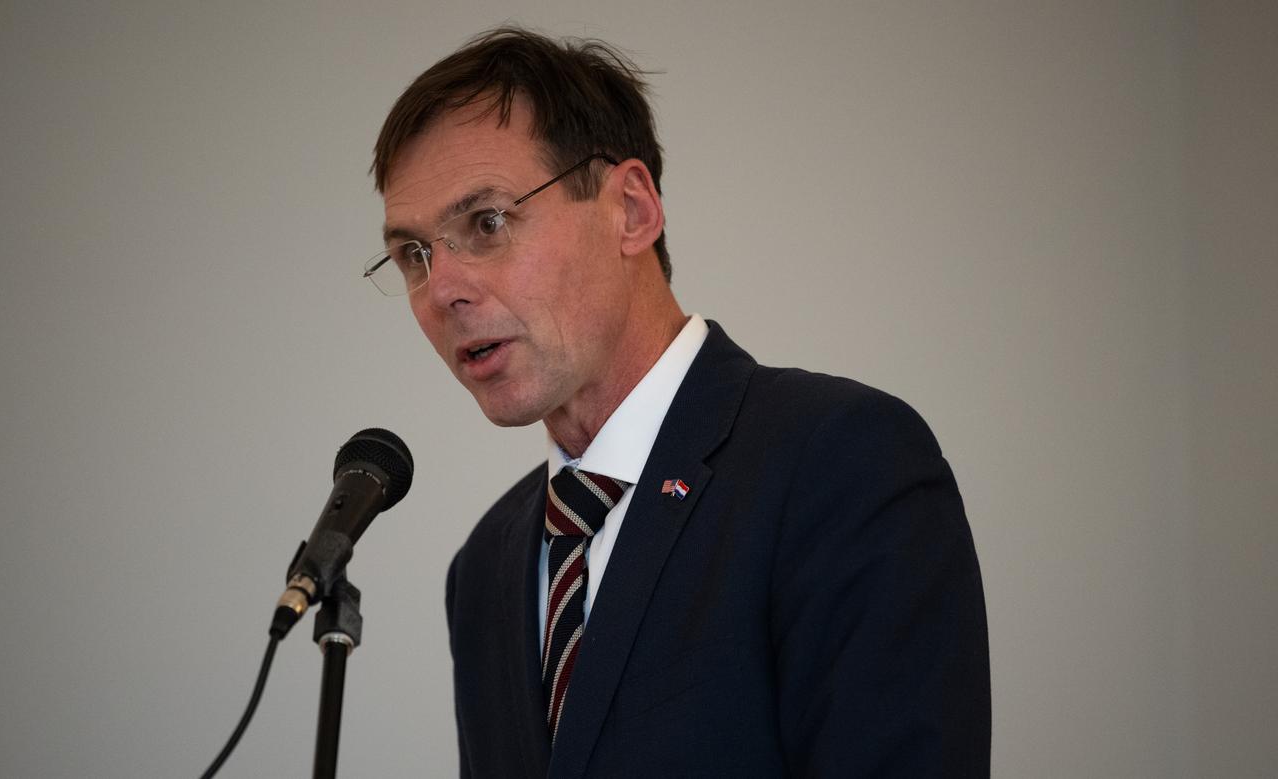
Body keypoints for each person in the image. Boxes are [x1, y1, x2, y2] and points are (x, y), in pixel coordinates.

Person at [366, 27, 990, 778]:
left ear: (630, 209)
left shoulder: (843, 463)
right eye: (413, 255)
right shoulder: (485, 566)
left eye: (488, 222)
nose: (442, 291)